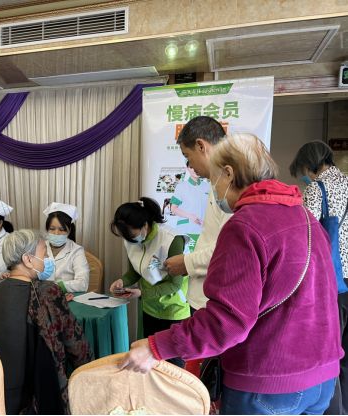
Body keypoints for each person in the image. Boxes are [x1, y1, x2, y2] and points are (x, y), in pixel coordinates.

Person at [122, 134, 342, 415]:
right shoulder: (305, 217)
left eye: (212, 179)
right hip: (323, 379)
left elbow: (226, 321)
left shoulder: (246, 225)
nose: (211, 188)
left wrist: (156, 347)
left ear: (228, 173)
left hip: (269, 383)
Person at [0, 229, 92, 414]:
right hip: (36, 393)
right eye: (44, 254)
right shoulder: (48, 291)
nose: (48, 259)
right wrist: (89, 374)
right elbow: (76, 345)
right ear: (28, 259)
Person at [290, 141, 348, 414]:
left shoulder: (316, 189)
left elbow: (304, 235)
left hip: (334, 283)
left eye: (303, 171)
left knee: (331, 352)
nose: (304, 177)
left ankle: (331, 409)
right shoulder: (347, 183)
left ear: (310, 165)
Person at [109, 197, 188, 367]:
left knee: (172, 367)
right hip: (149, 308)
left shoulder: (171, 240)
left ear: (145, 224)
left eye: (131, 234)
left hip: (173, 311)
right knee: (148, 363)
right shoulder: (131, 239)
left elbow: (175, 285)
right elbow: (134, 272)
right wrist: (122, 281)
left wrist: (142, 293)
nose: (129, 240)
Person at [164, 116, 231, 313]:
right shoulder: (213, 182)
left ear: (201, 146)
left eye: (188, 156)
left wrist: (185, 263)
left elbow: (228, 251)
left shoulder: (229, 185)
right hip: (205, 297)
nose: (190, 166)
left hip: (214, 302)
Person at [43, 202, 89, 293]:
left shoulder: (76, 251)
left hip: (66, 298)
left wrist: (56, 287)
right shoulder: (39, 247)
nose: (56, 233)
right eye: (52, 229)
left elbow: (83, 283)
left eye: (62, 229)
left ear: (69, 230)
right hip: (41, 297)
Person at [169, 161, 210, 237]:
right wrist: (190, 216)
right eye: (192, 167)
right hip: (186, 229)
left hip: (203, 230)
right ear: (187, 168)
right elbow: (173, 208)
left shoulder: (207, 187)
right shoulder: (181, 187)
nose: (195, 170)